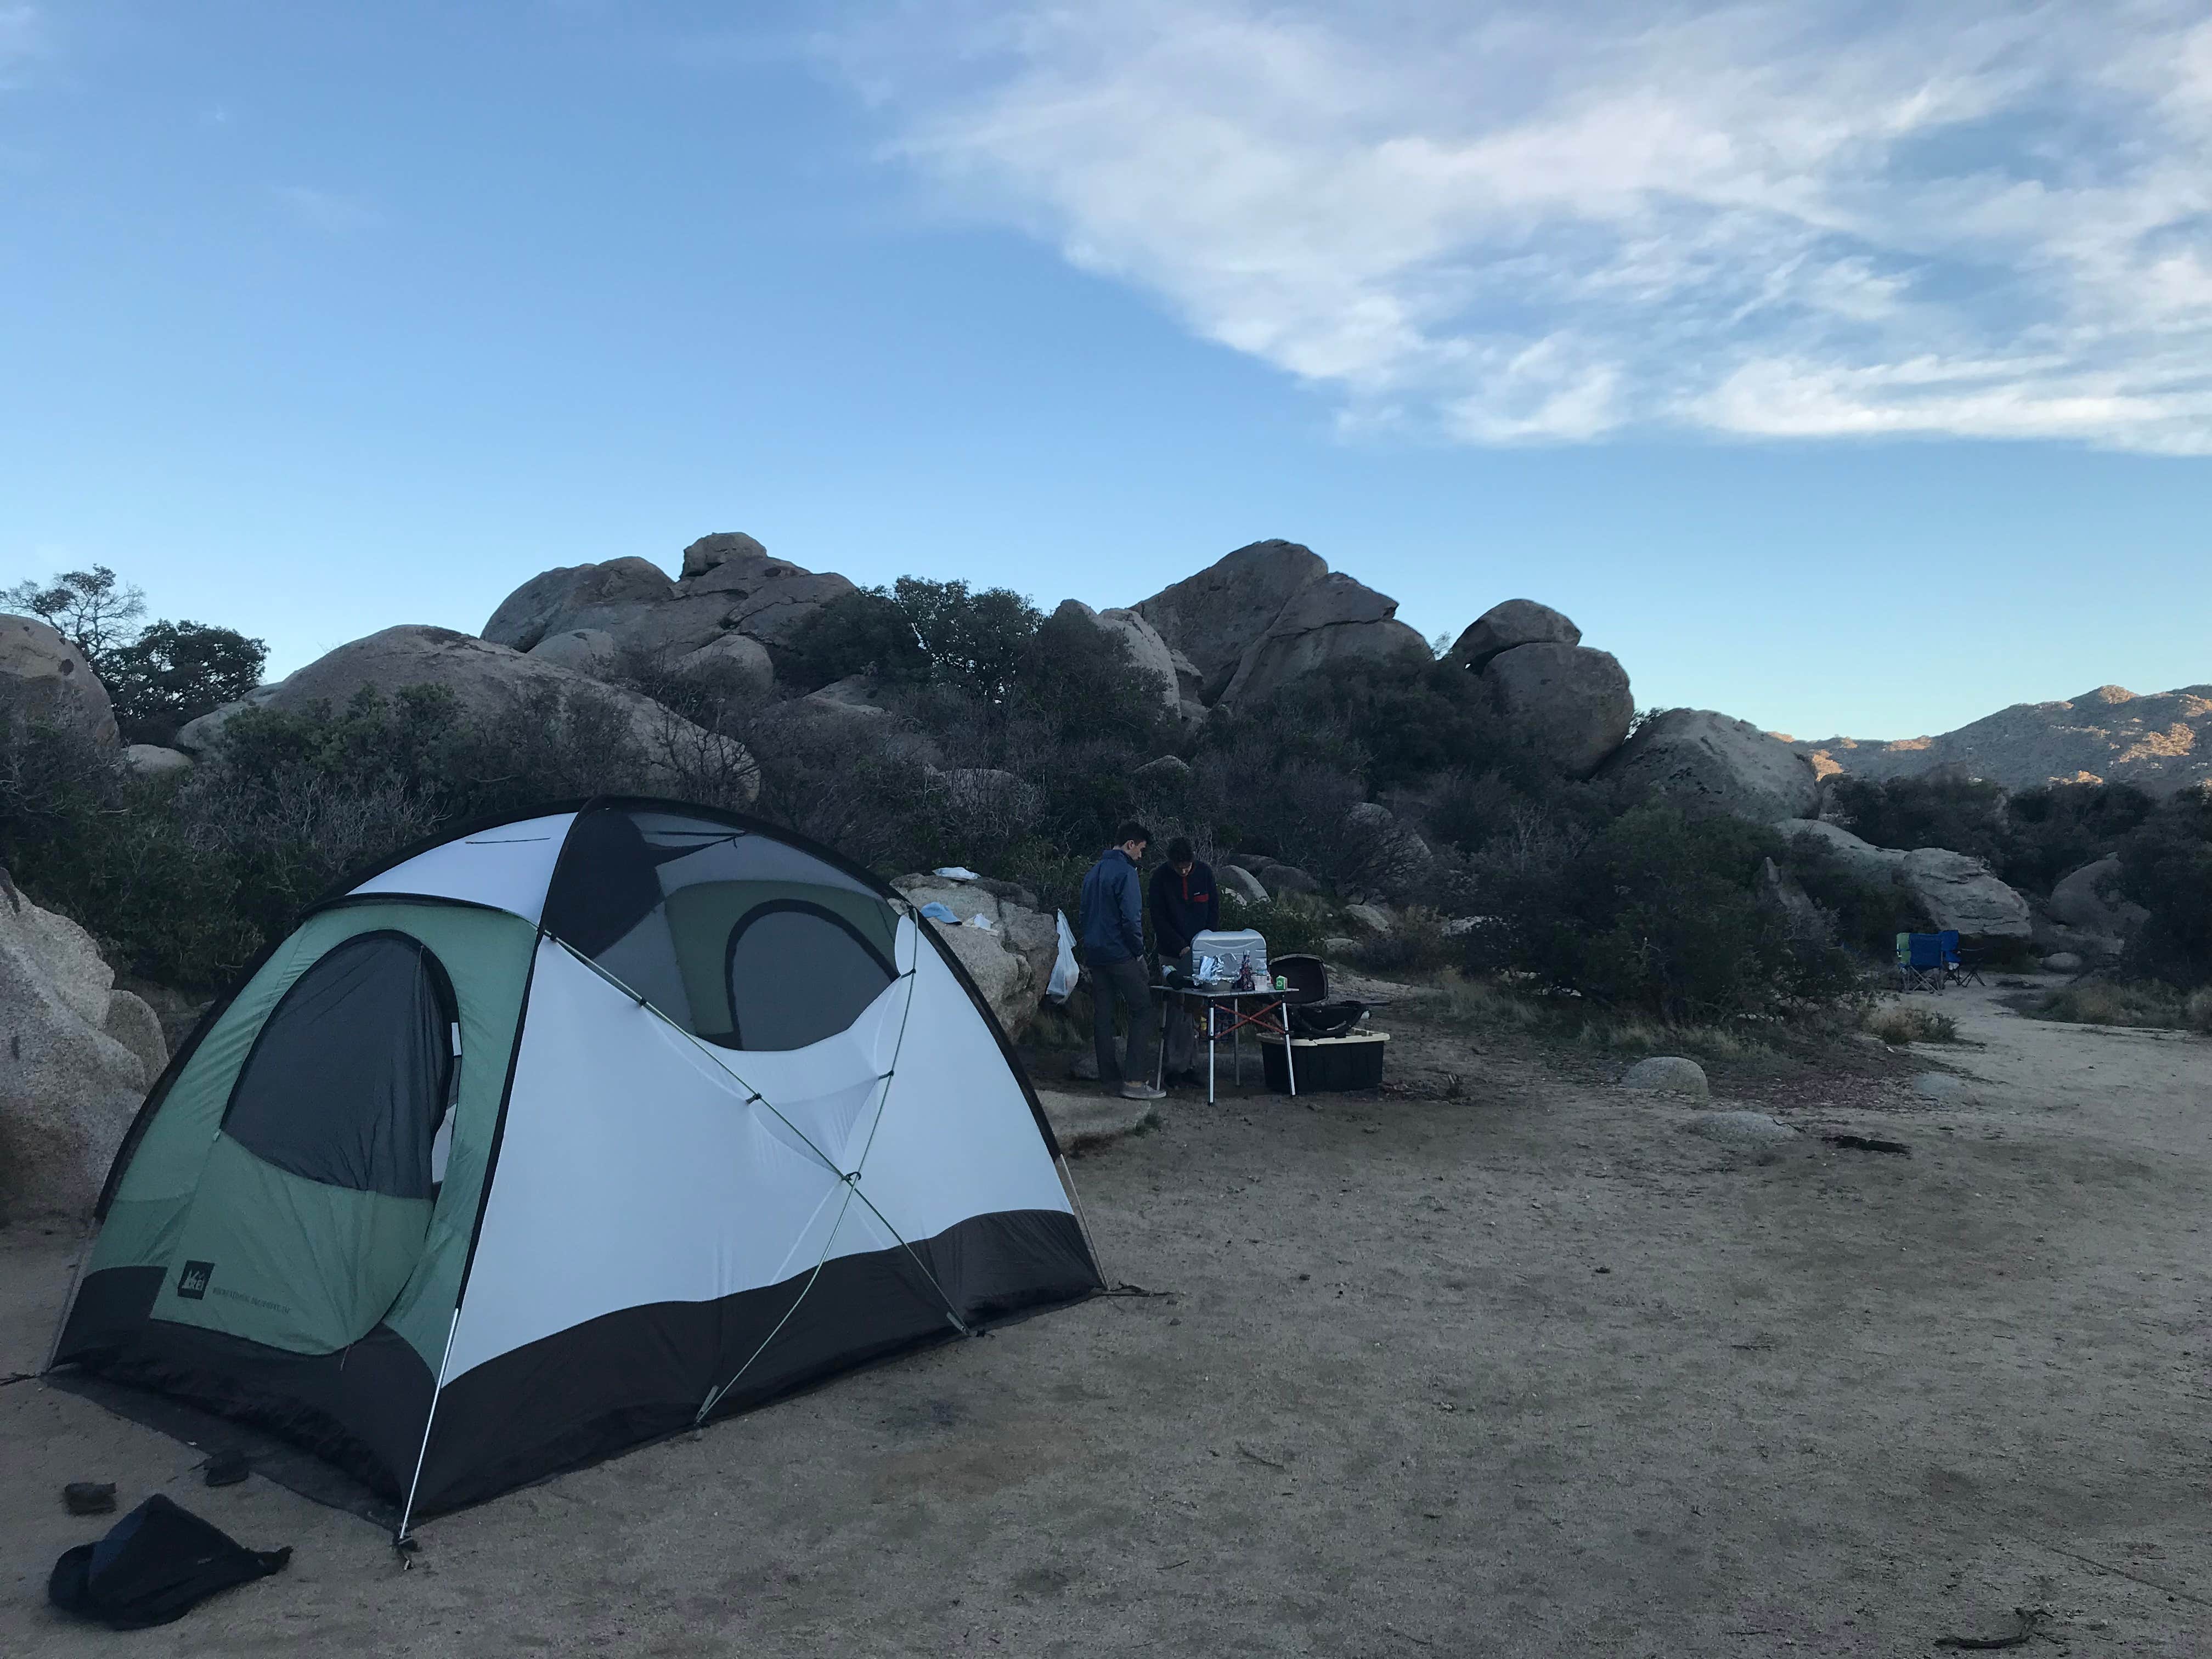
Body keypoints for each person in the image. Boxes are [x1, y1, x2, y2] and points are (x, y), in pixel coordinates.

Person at [1079, 821, 1164, 1101]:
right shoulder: (1126, 873)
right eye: (1141, 849)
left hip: (1095, 954)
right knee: (1142, 1008)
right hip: (1120, 954)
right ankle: (1135, 1081)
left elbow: (1083, 916)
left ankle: (1109, 1079)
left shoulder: (1093, 873)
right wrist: (1138, 953)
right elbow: (1131, 919)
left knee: (1103, 1015)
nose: (1141, 856)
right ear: (1130, 845)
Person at [1149, 837, 1218, 1083]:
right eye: (1179, 867)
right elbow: (1158, 917)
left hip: (1202, 954)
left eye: (1187, 866)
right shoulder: (1160, 878)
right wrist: (1180, 946)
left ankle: (1191, 1065)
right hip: (1172, 953)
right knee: (1175, 1008)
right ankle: (1173, 1066)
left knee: (1195, 1009)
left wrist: (1206, 944)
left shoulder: (1205, 875)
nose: (1184, 870)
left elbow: (1213, 912)